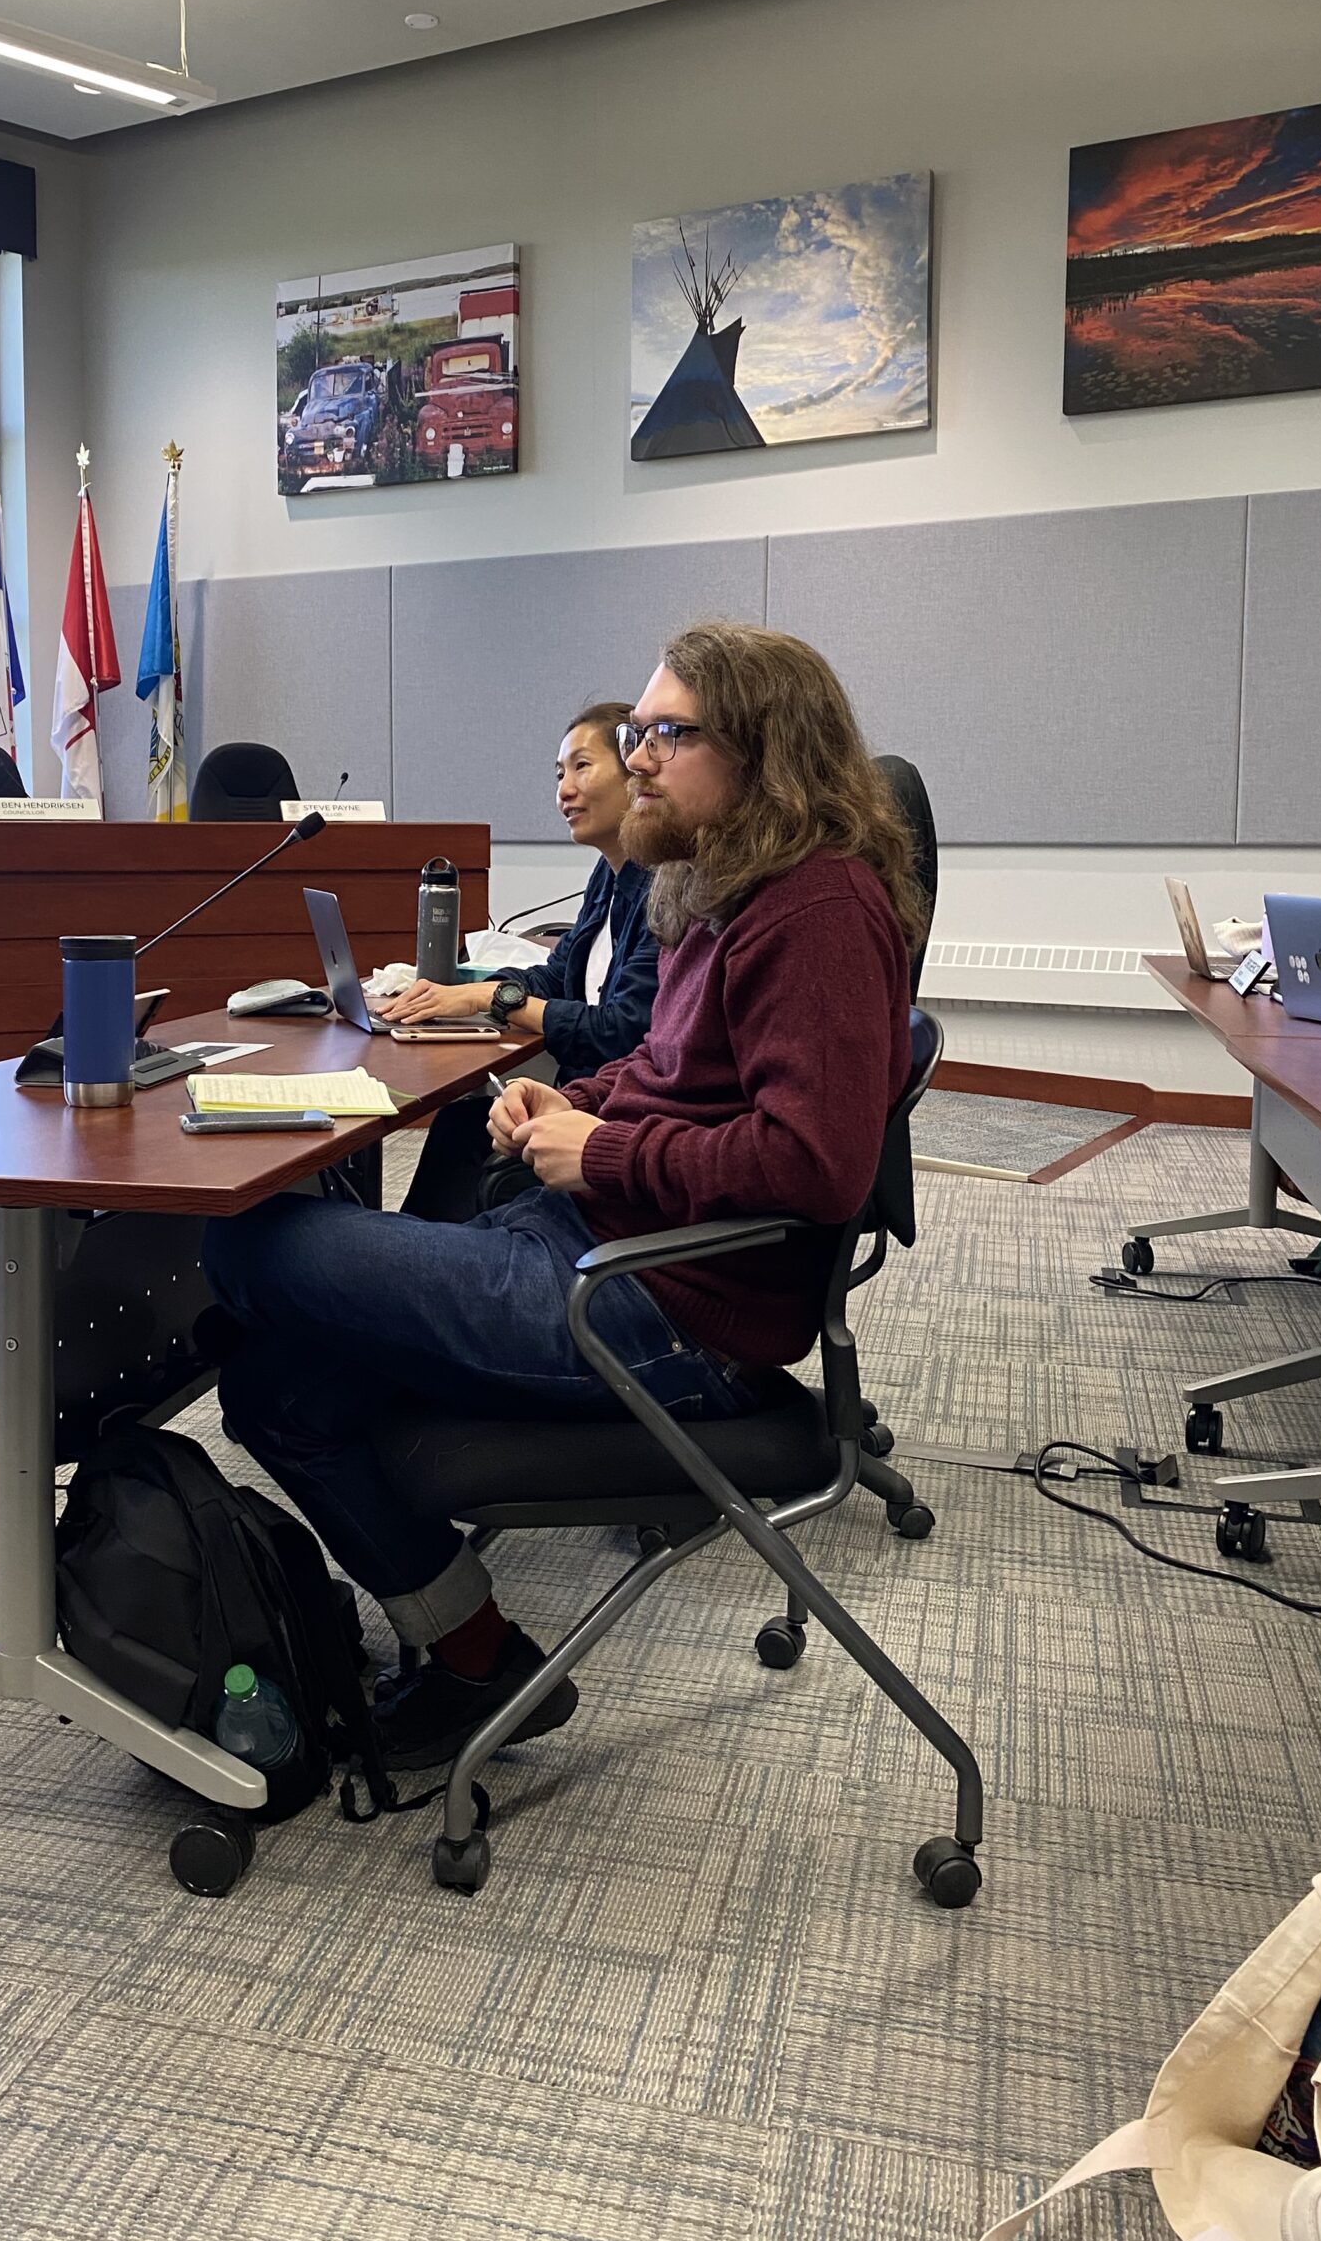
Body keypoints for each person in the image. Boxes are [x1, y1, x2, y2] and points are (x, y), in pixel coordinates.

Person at [200, 622, 926, 1772]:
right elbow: (667, 1069)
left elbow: (817, 1163)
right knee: (274, 1381)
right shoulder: (718, 884)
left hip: (665, 1308)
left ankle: (467, 1658)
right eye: (635, 732)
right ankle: (475, 1659)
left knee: (251, 1244)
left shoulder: (819, 910)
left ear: (763, 748)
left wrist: (606, 1155)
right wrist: (568, 1102)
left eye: (664, 734)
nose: (636, 756)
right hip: (598, 1243)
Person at [383, 699, 656, 1221]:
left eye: (581, 766)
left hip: (606, 1126)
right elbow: (557, 977)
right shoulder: (609, 876)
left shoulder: (664, 889)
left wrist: (494, 998)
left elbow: (620, 1030)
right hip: (577, 1097)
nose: (564, 791)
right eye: (559, 774)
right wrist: (463, 993)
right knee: (460, 1125)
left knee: (469, 1142)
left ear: (635, 771)